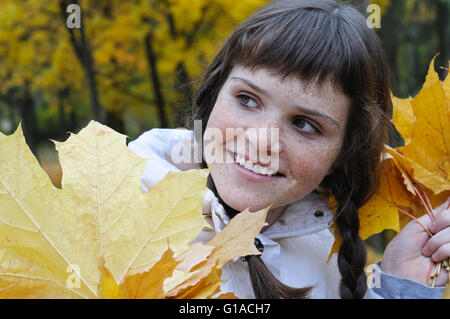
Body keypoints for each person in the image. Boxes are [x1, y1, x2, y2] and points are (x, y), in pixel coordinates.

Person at [128, 0, 450, 299]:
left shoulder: (328, 253)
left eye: (304, 124)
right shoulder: (117, 219)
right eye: (247, 99)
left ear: (340, 155)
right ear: (215, 93)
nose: (261, 142)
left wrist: (396, 286)